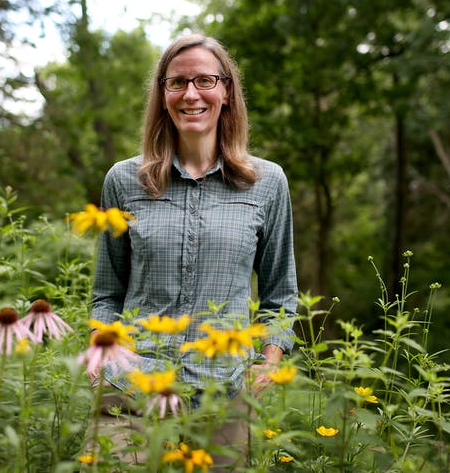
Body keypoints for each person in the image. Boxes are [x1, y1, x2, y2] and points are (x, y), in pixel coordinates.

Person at [86, 33, 298, 470]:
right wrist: (99, 349)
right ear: (163, 96)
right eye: (177, 83)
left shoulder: (268, 183)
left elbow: (280, 295)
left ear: (226, 92)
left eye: (205, 80)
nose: (191, 94)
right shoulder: (124, 181)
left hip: (223, 394)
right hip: (132, 386)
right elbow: (108, 290)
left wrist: (268, 361)